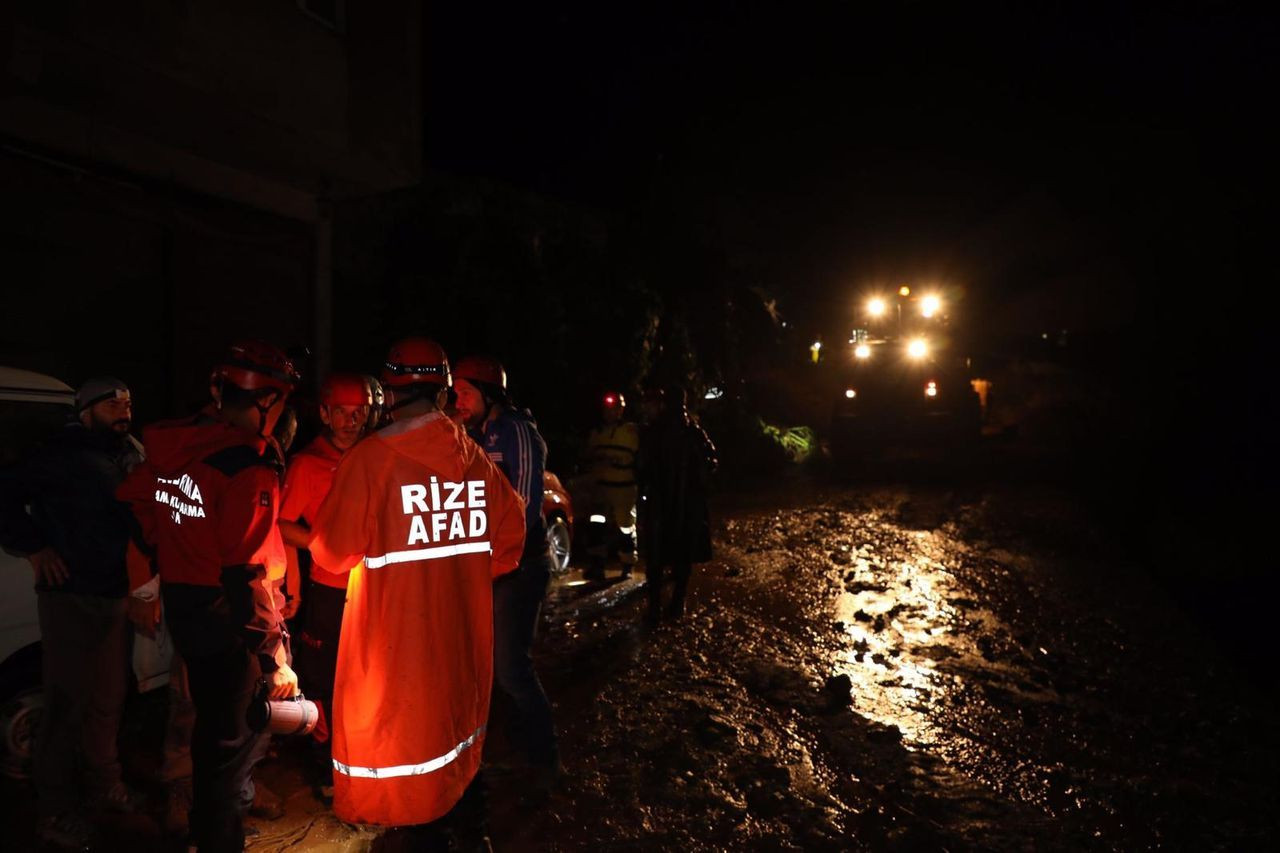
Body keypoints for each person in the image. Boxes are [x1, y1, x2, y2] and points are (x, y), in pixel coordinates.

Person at [307, 338, 526, 847]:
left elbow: (330, 553)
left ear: (387, 393)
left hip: (396, 650)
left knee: (407, 755)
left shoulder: (369, 461)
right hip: (461, 642)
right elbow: (510, 544)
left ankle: (422, 834)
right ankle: (468, 832)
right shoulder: (475, 460)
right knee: (457, 743)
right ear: (445, 392)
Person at [118, 341, 299, 853]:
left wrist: (151, 578)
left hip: (186, 605)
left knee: (213, 731)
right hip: (227, 617)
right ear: (267, 403)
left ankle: (211, 826)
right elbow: (247, 571)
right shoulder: (245, 466)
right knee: (233, 741)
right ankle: (220, 839)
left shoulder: (177, 448)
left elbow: (134, 508)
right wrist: (273, 657)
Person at [0, 377, 145, 850]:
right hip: (71, 595)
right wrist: (35, 548)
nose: (123, 409)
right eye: (111, 404)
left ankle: (105, 784)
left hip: (116, 593)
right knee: (65, 702)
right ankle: (55, 811)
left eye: (127, 403)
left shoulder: (127, 455)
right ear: (84, 412)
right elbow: (4, 497)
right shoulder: (59, 454)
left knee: (109, 698)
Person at [454, 355, 562, 783]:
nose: (456, 400)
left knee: (512, 667)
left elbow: (523, 505)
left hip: (517, 568)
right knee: (491, 666)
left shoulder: (517, 431)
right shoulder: (473, 434)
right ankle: (511, 749)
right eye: (454, 392)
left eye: (464, 392)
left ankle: (545, 759)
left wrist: (500, 558)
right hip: (487, 567)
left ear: (490, 392)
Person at [278, 372, 371, 801]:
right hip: (329, 589)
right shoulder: (308, 464)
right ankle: (325, 766)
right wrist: (319, 542)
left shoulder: (376, 456)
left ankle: (362, 759)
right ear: (325, 415)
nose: (352, 421)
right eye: (343, 414)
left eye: (360, 412)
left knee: (366, 678)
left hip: (372, 589)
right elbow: (280, 522)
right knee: (323, 679)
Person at [637, 386, 718, 623]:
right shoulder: (690, 430)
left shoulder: (662, 431)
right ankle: (674, 605)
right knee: (679, 556)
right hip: (680, 504)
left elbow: (642, 466)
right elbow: (711, 460)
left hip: (667, 504)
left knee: (659, 556)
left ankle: (659, 607)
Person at [580, 391, 639, 579]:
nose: (610, 413)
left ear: (621, 410)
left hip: (624, 488)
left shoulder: (630, 432)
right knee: (596, 525)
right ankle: (597, 565)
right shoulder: (597, 432)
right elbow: (587, 455)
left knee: (625, 527)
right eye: (607, 410)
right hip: (601, 489)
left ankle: (627, 565)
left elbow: (639, 458)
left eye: (614, 409)